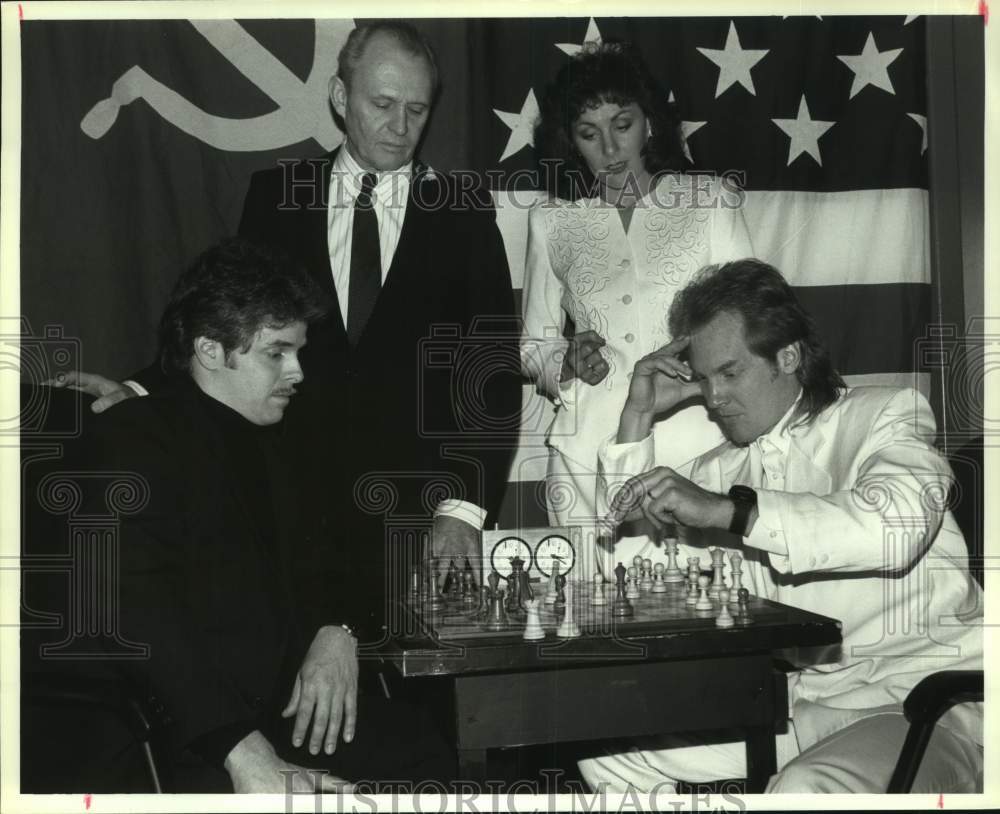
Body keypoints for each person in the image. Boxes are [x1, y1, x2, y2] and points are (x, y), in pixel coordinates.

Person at [54, 21, 521, 646]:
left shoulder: (464, 215)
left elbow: (490, 374)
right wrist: (142, 391)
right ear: (338, 96)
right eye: (381, 105)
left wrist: (462, 511)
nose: (400, 126)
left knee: (417, 725)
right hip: (286, 515)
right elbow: (228, 323)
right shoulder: (276, 198)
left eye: (417, 109)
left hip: (416, 521)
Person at [580, 259, 983, 793]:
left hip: (921, 702)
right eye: (704, 378)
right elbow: (622, 563)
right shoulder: (720, 470)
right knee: (609, 752)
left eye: (729, 372)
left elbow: (896, 528)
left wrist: (732, 514)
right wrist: (638, 416)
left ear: (788, 355)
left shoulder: (886, 414)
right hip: (801, 709)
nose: (714, 398)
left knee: (803, 789)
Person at [94, 238, 452, 792]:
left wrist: (339, 630)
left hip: (282, 711)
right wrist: (238, 750)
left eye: (300, 352)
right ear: (211, 350)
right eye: (277, 353)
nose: (299, 372)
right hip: (188, 734)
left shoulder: (280, 440)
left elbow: (340, 562)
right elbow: (139, 619)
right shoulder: (138, 437)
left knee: (422, 747)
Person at [520, 41, 752, 577]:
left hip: (700, 446)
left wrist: (701, 378)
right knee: (592, 620)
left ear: (650, 124)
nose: (609, 146)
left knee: (705, 613)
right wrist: (565, 362)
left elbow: (751, 325)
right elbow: (533, 346)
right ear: (571, 143)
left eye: (621, 123)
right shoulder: (552, 223)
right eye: (588, 133)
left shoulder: (710, 201)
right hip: (586, 459)